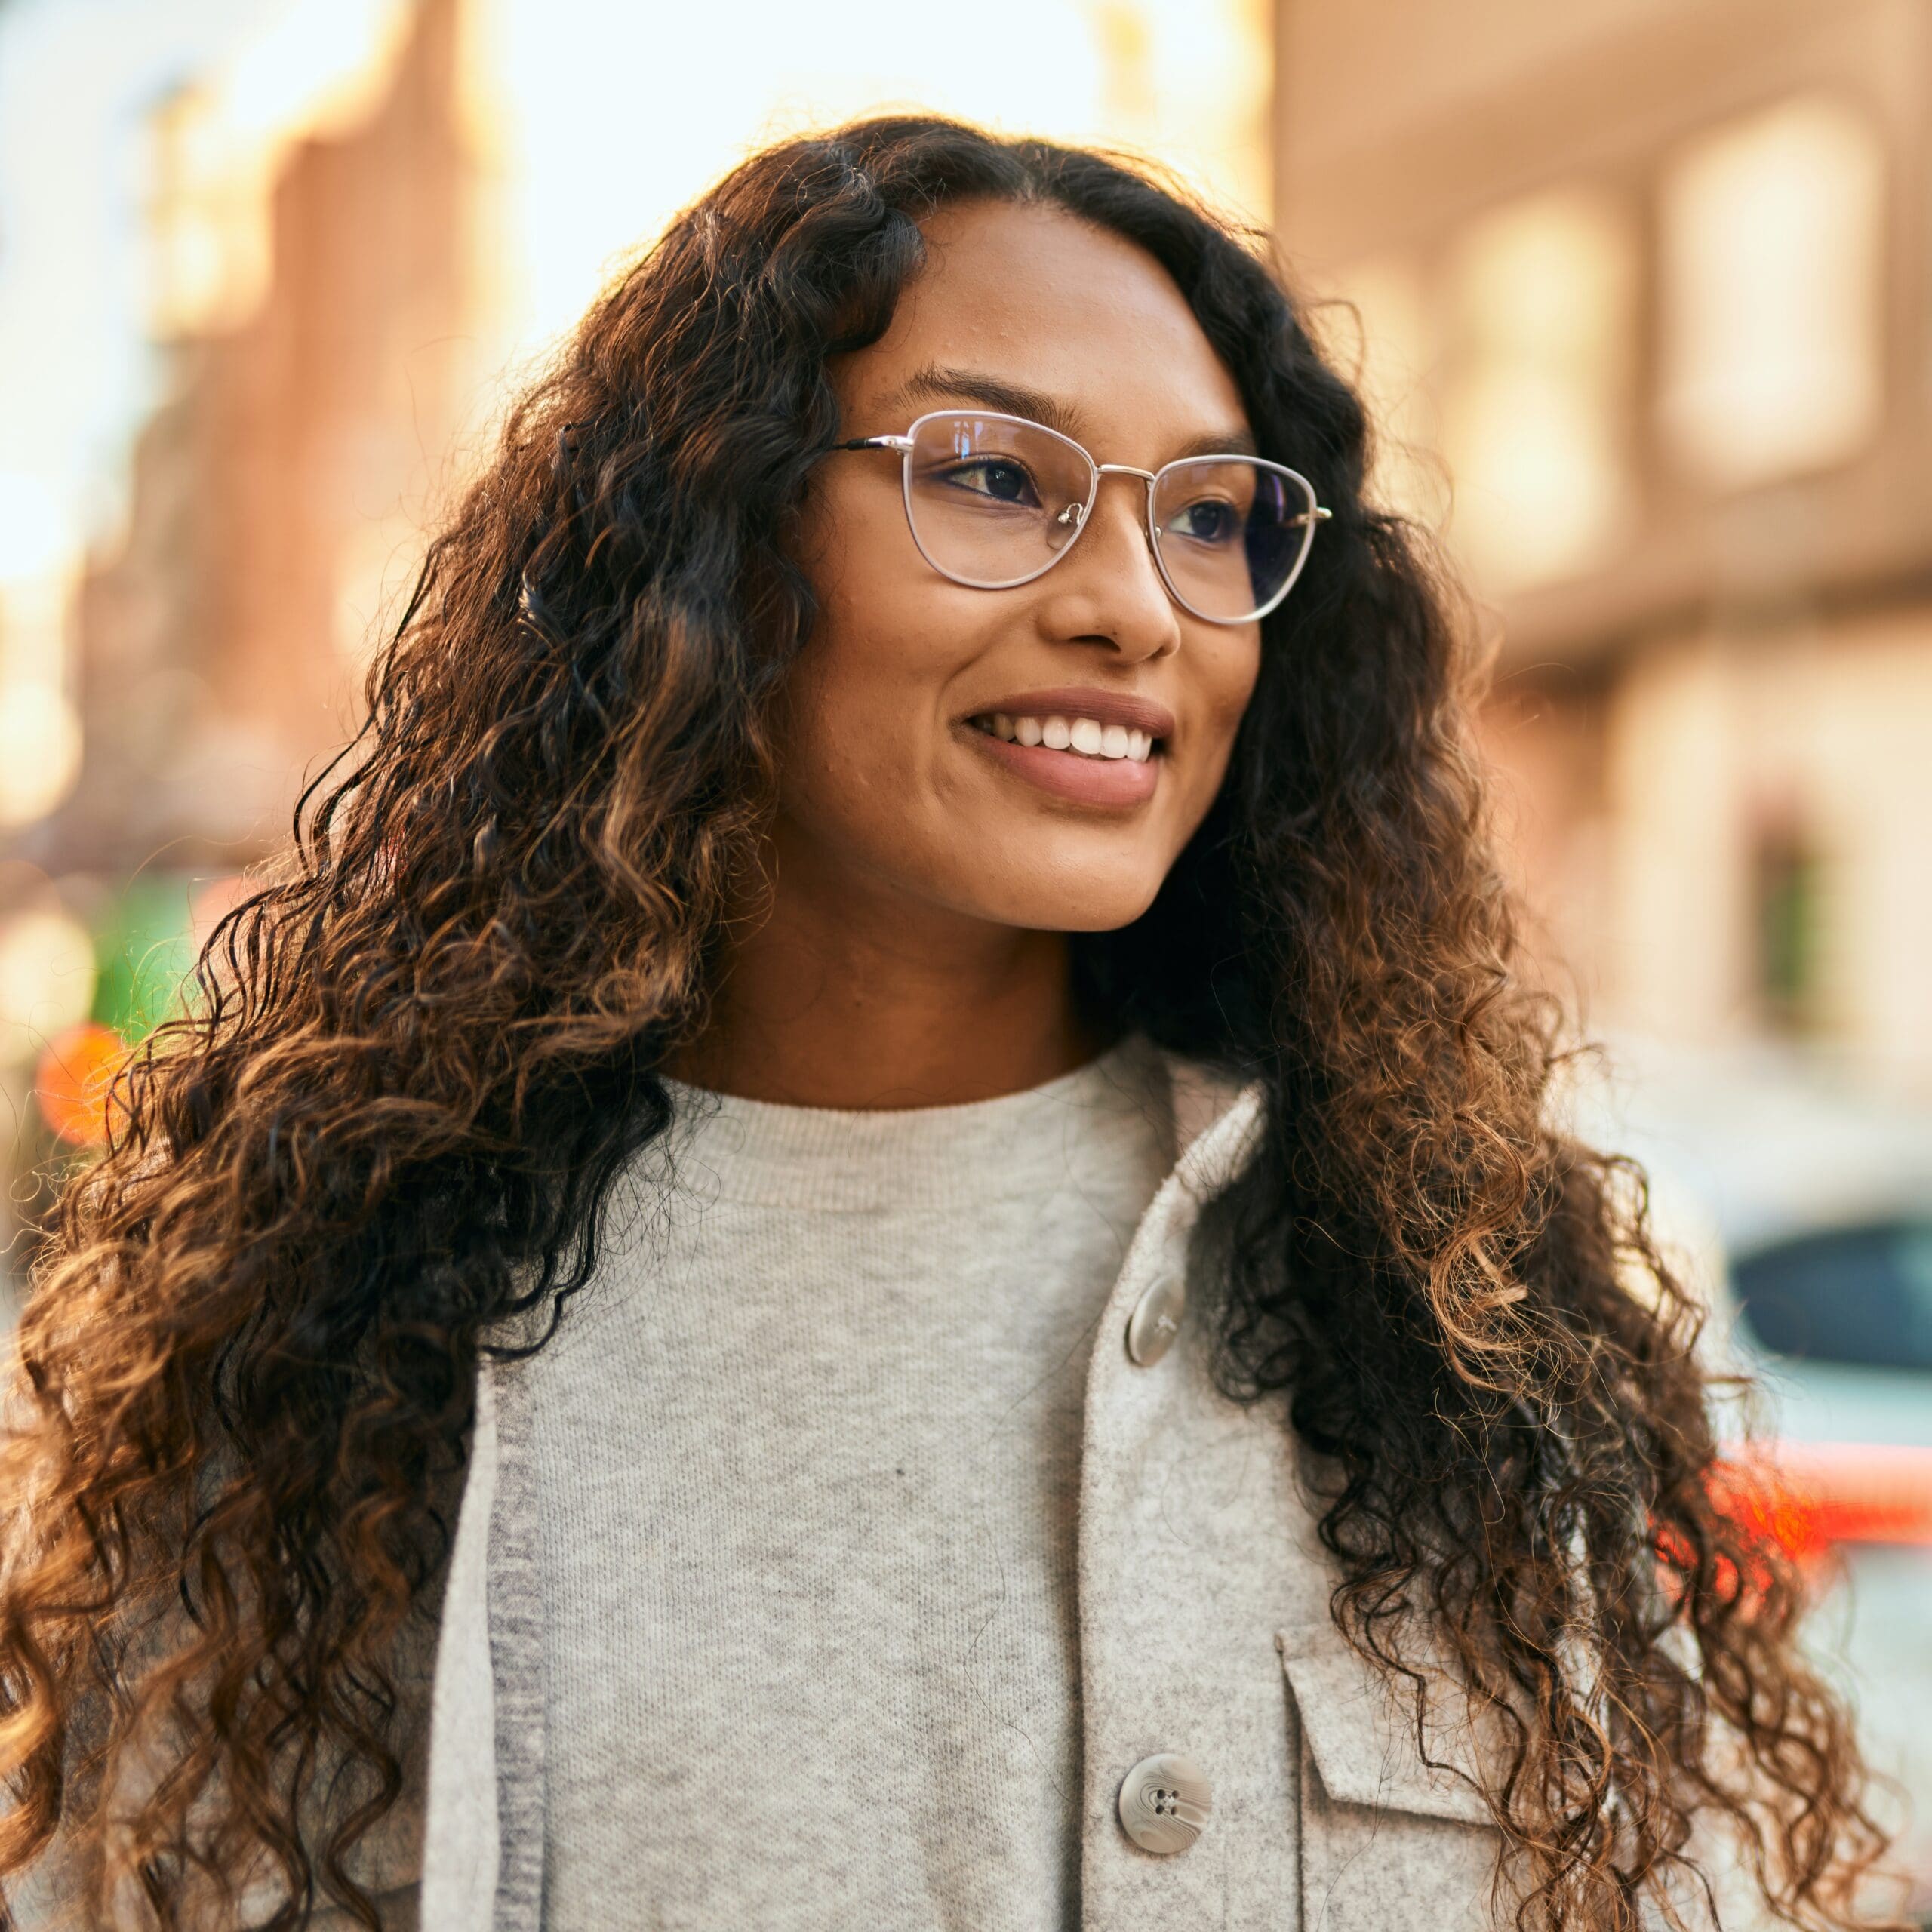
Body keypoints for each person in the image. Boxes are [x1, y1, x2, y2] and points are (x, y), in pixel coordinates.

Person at [0, 115, 1897, 1932]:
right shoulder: (334, 1341)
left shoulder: (1457, 1313)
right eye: (993, 475)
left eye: (1209, 514)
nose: (1136, 609)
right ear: (720, 541)